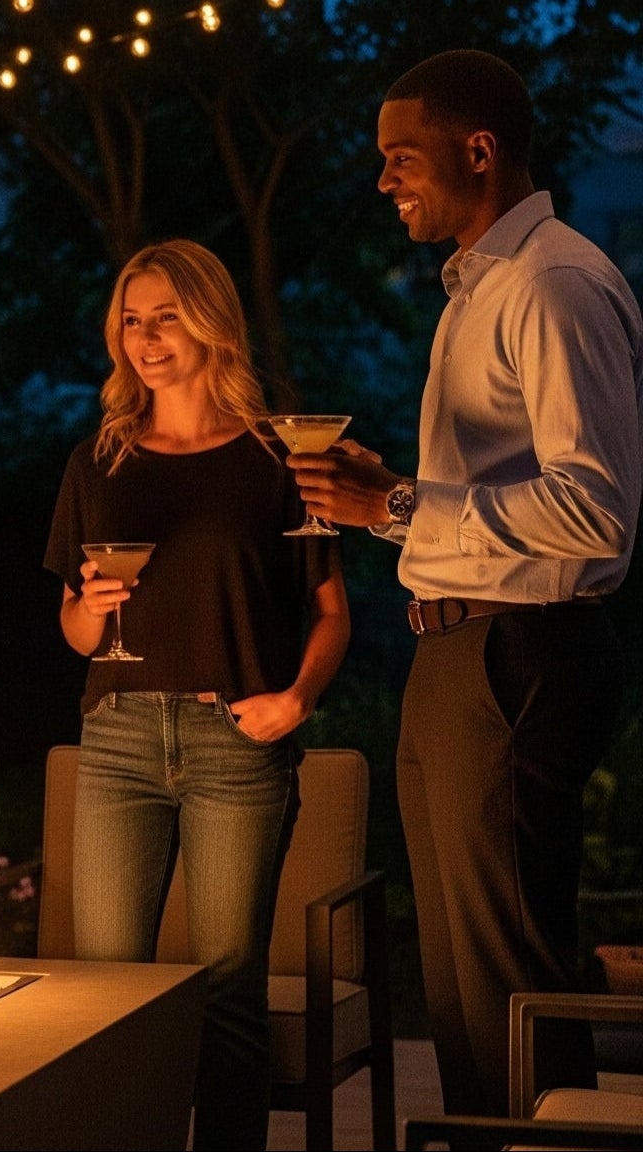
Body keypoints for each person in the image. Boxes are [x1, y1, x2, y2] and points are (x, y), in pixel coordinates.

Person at [288, 48, 643, 1117]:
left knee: (506, 972)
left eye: (401, 157)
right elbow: (483, 490)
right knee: (458, 975)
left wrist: (394, 506)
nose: (384, 180)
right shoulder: (474, 291)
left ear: (475, 150)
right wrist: (382, 493)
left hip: (514, 652)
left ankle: (539, 1145)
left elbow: (594, 512)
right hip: (460, 648)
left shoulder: (552, 282)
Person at [44, 239, 350, 1151]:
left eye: (166, 315)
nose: (145, 337)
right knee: (107, 996)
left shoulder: (277, 460)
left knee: (227, 996)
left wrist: (295, 701)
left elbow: (332, 614)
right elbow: (74, 628)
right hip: (119, 742)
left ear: (211, 320)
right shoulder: (96, 459)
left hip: (235, 745)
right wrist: (92, 607)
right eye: (131, 320)